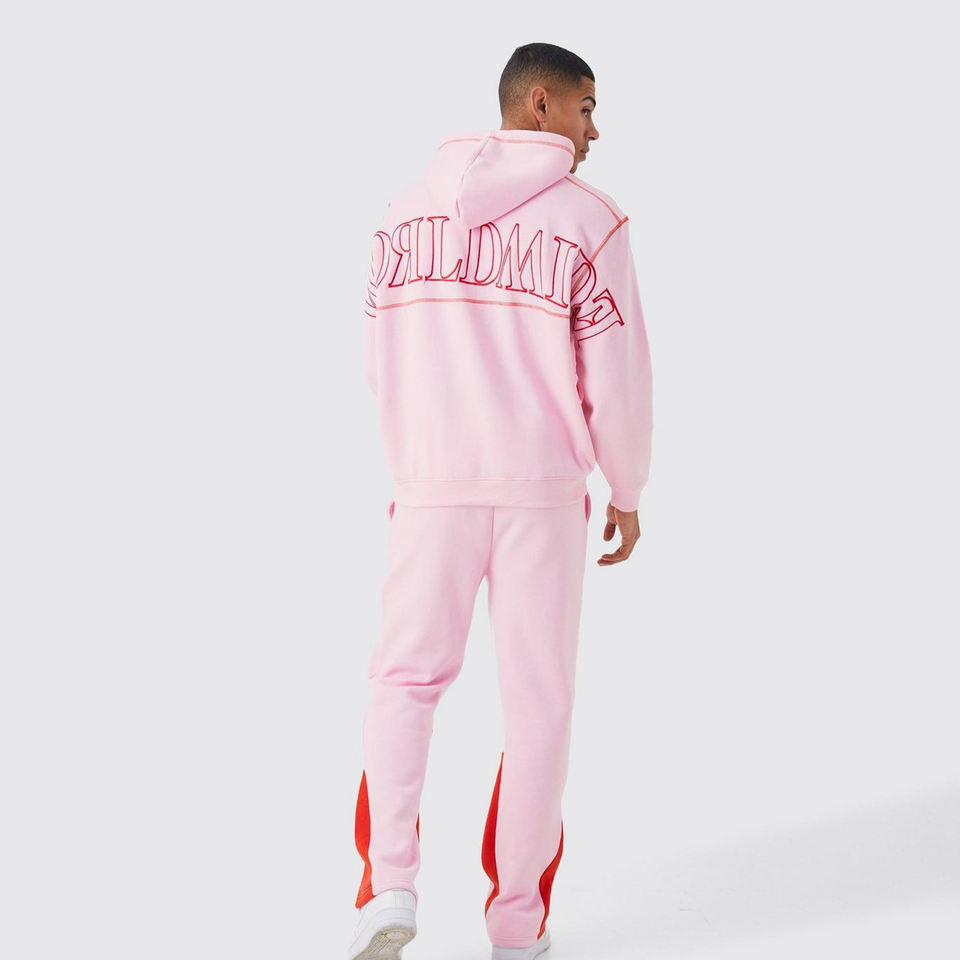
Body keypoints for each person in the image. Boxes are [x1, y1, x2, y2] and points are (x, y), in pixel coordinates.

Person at [347, 41, 654, 960]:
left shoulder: (403, 214)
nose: (595, 131)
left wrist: (418, 462)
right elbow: (618, 375)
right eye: (587, 108)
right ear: (540, 102)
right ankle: (517, 926)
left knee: (404, 685)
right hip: (540, 498)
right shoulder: (590, 220)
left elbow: (380, 358)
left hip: (431, 490)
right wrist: (627, 485)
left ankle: (387, 888)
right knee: (538, 705)